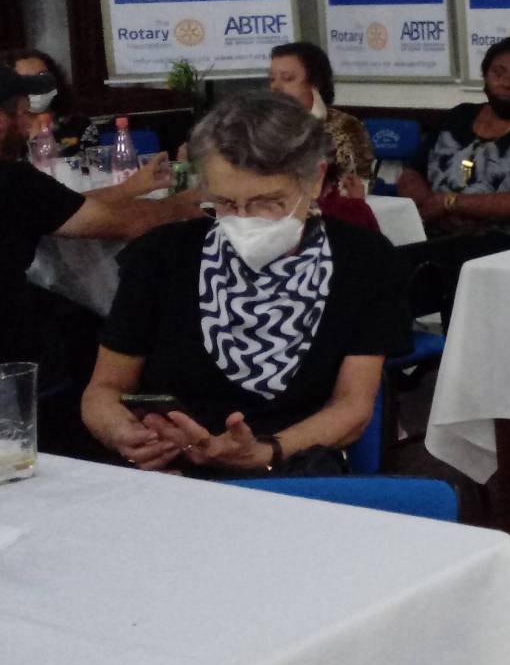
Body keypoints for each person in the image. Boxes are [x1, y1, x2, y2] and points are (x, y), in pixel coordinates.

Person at [79, 92, 407, 477]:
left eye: (268, 202)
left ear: (316, 180)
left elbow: (352, 408)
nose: (245, 220)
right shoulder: (161, 256)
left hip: (292, 466)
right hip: (169, 474)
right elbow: (103, 392)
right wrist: (126, 434)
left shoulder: (363, 260)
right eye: (225, 204)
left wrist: (267, 452)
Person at [0, 67, 202, 370]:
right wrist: (188, 202)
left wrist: (130, 188)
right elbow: (126, 225)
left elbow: (58, 209)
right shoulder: (12, 179)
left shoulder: (19, 187)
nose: (30, 125)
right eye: (23, 113)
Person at [398, 37, 510, 244]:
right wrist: (432, 207)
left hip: (502, 244)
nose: (507, 84)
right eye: (498, 73)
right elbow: (411, 174)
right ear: (485, 75)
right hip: (431, 231)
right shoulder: (458, 117)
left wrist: (450, 203)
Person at [268, 41, 374, 198]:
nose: (275, 87)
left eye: (287, 78)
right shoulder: (264, 126)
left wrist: (314, 126)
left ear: (315, 83)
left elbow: (349, 185)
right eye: (271, 79)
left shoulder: (345, 126)